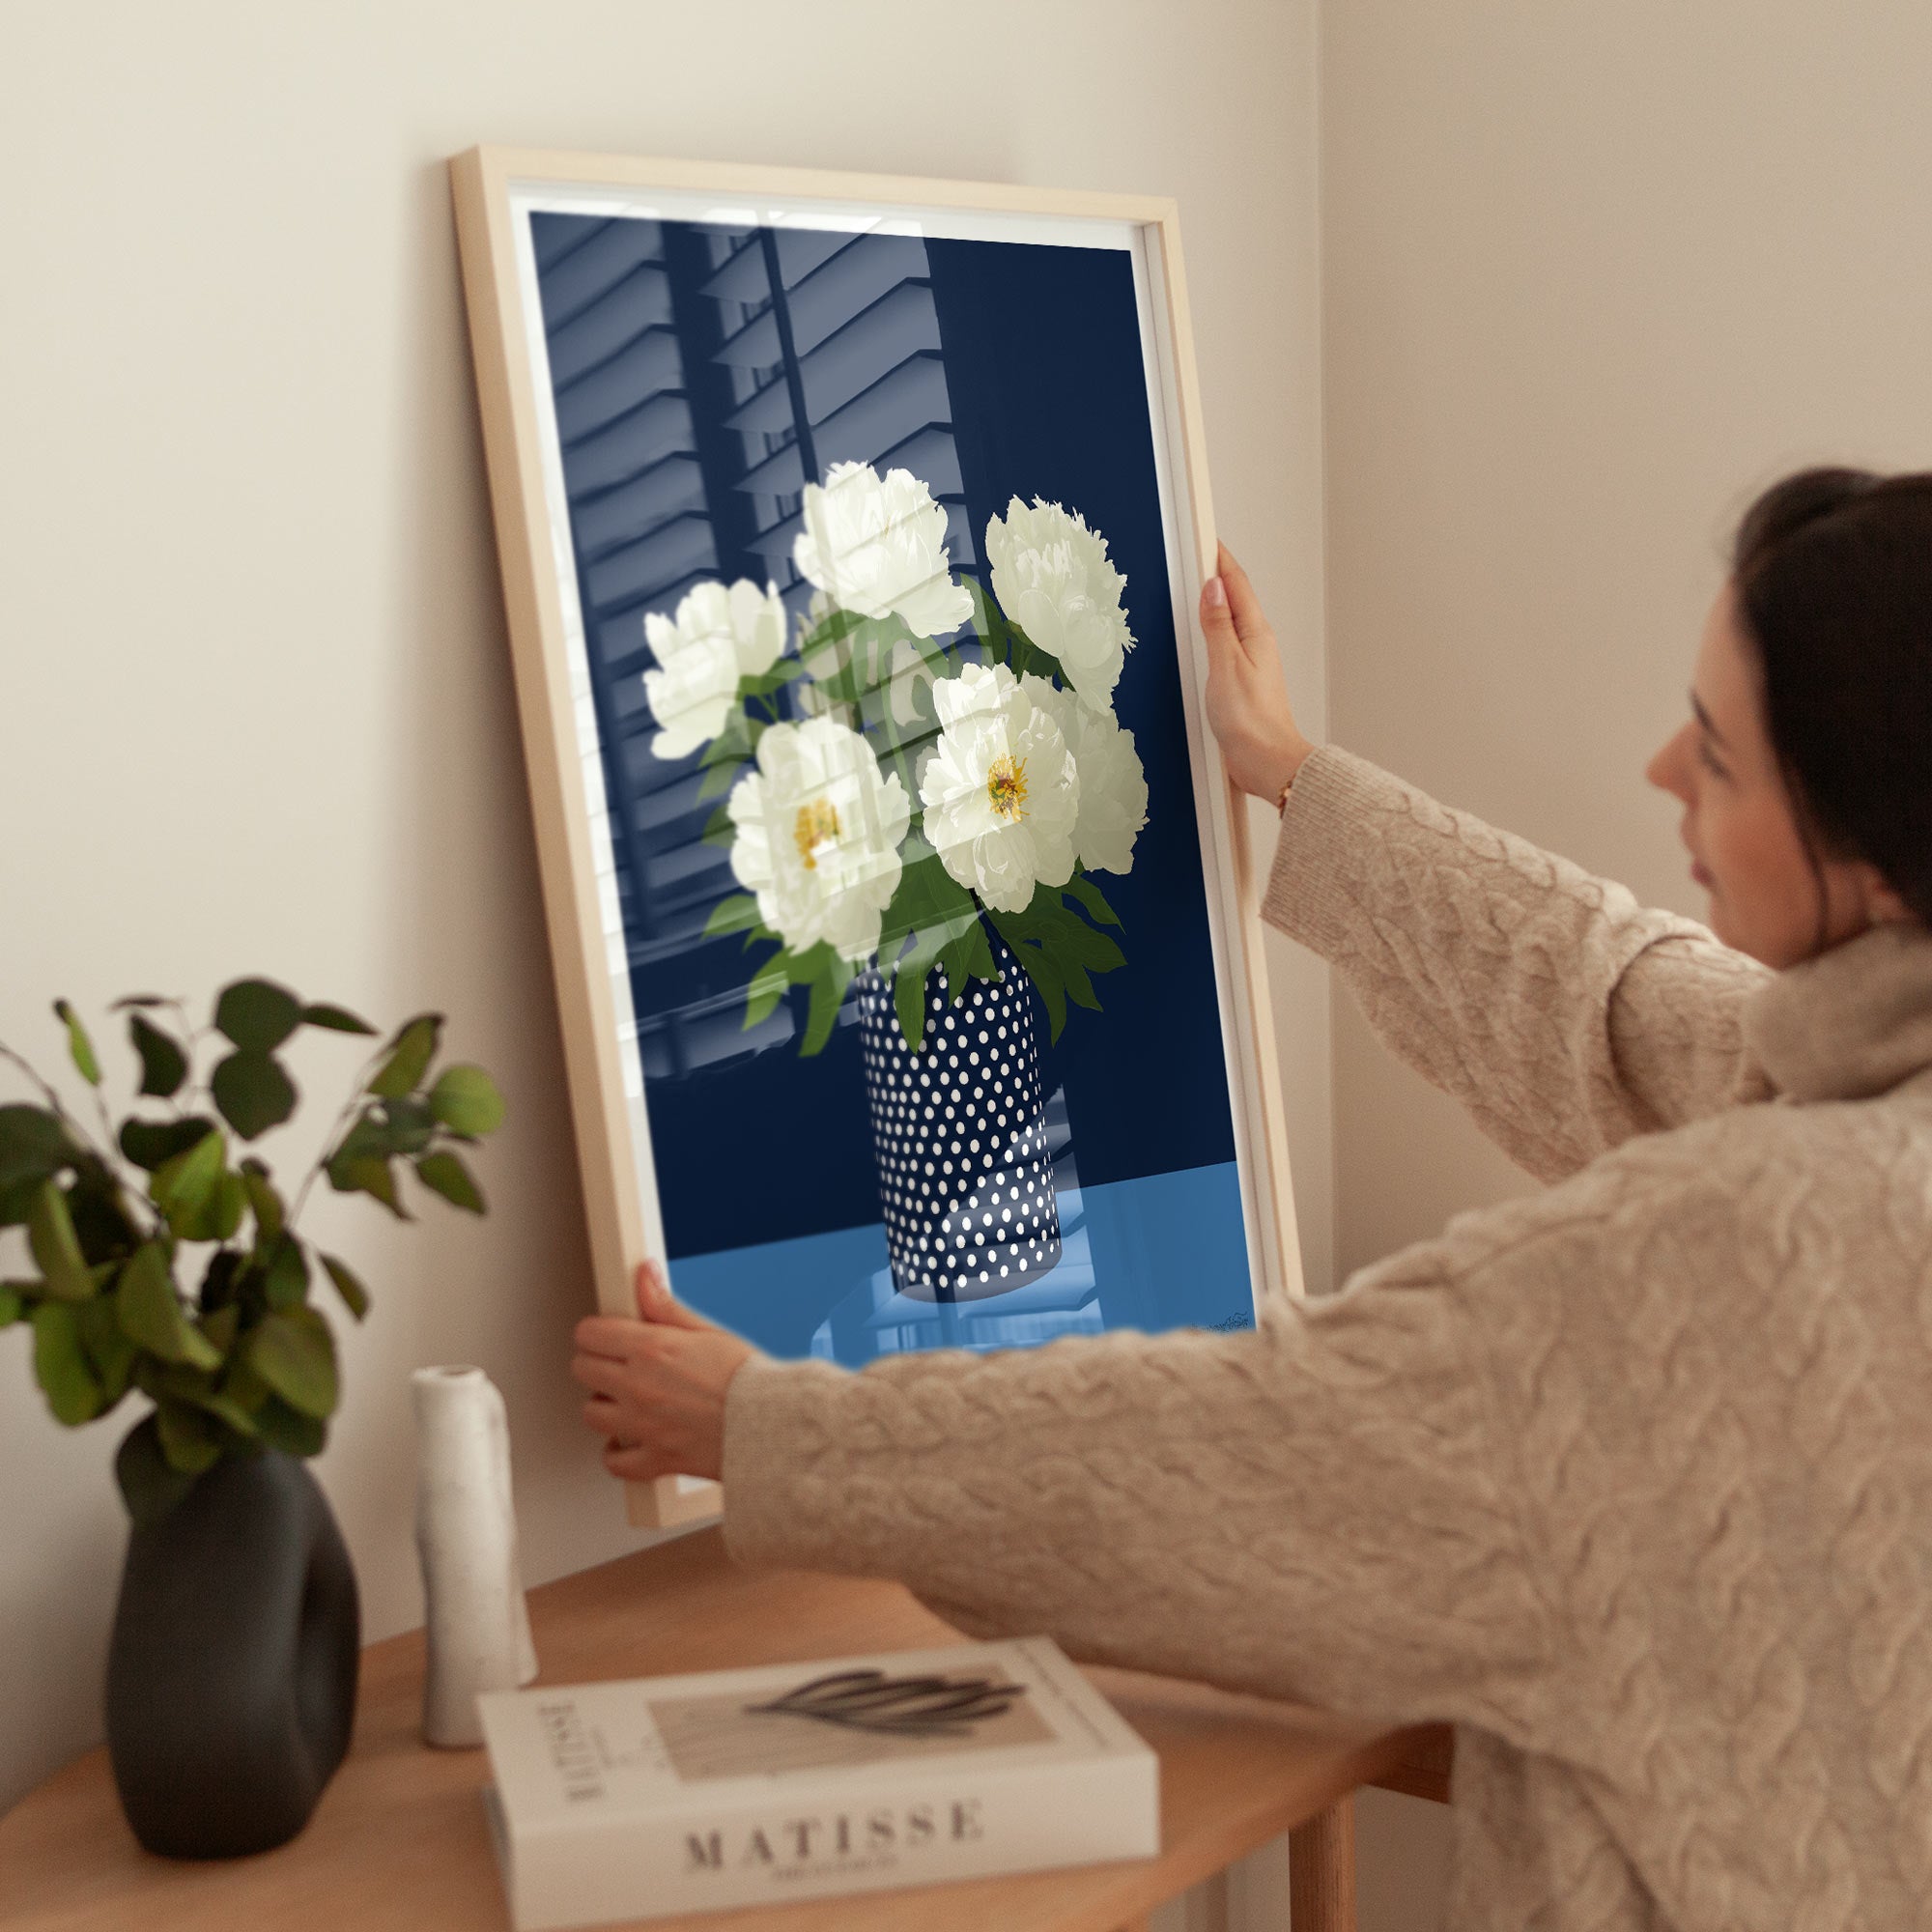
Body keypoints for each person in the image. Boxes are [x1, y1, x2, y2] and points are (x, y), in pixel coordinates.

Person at [571, 467, 1932, 1930]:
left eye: (1719, 756)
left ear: (1875, 860)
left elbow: (1238, 1452)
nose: (1664, 768)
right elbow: (1615, 1005)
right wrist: (1291, 775)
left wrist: (765, 1429)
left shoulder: (1715, 1264)